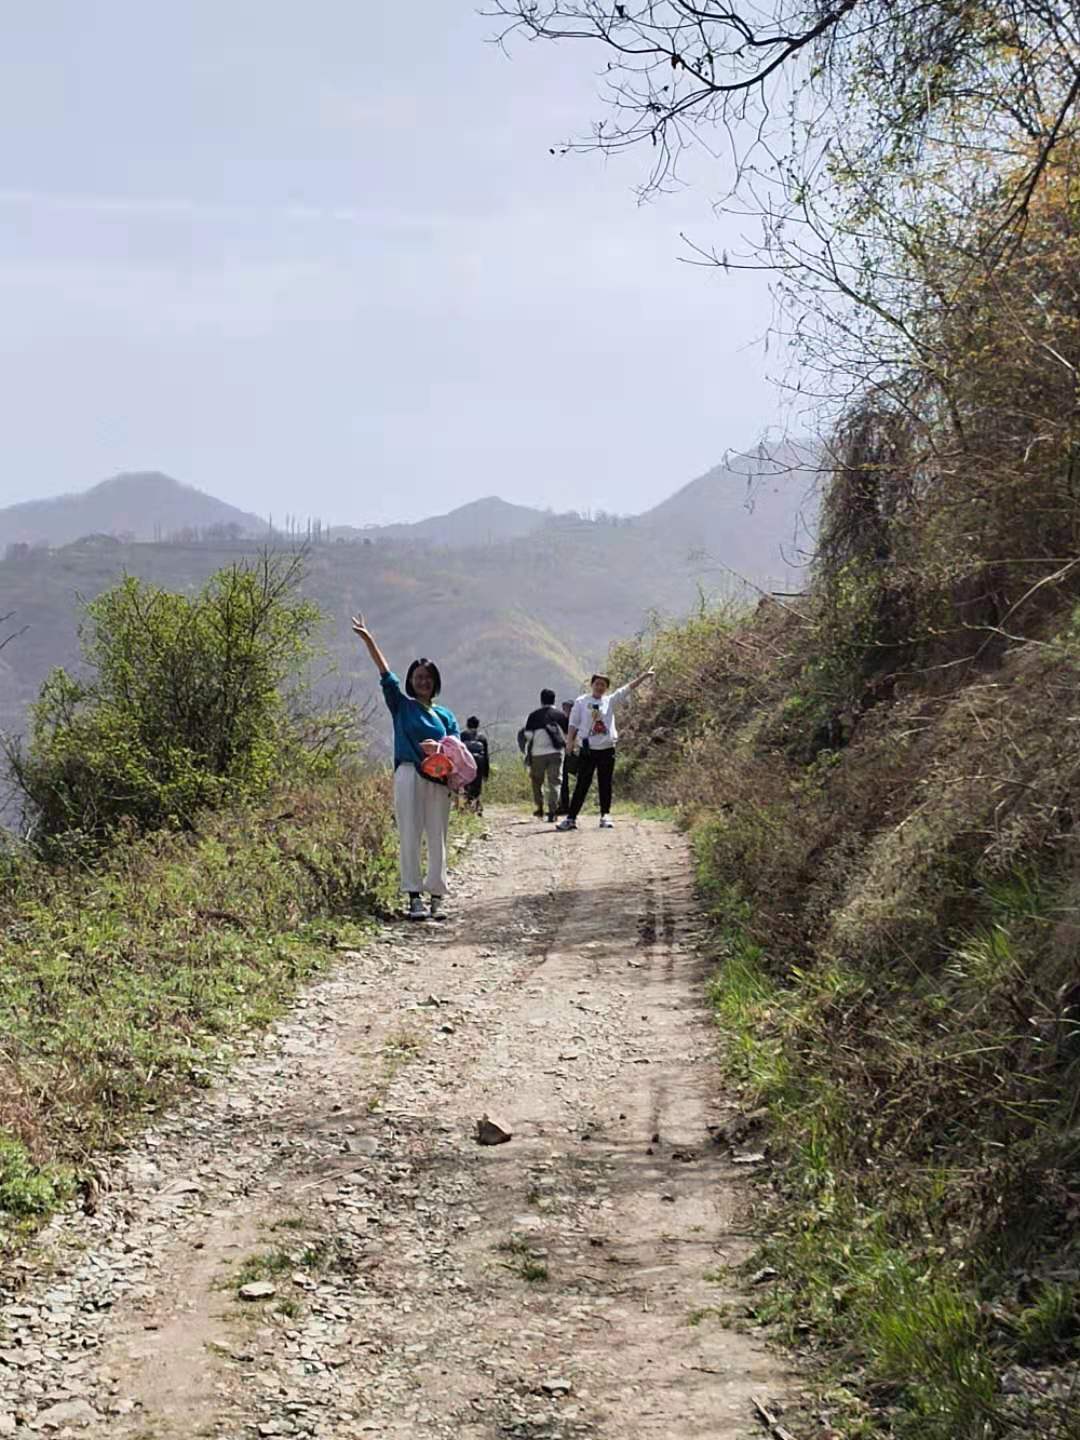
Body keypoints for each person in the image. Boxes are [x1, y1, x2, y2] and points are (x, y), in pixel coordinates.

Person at [351, 613, 459, 921]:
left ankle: (437, 894)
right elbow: (386, 673)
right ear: (412, 681)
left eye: (428, 677)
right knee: (410, 833)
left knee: (437, 835)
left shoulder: (446, 715)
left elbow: (456, 749)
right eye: (418, 677)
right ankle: (414, 897)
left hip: (438, 779)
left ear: (435, 682)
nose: (422, 681)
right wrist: (369, 639)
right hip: (409, 773)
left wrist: (452, 772)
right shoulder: (401, 705)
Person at [555, 666, 655, 831]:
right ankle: (571, 818)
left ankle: (605, 815)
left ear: (606, 688)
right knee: (582, 784)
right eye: (597, 684)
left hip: (607, 749)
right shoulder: (581, 701)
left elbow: (628, 688)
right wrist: (570, 741)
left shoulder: (609, 700)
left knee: (605, 783)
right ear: (592, 685)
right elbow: (573, 722)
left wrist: (644, 676)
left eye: (603, 685)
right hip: (588, 749)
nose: (599, 687)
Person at [521, 688, 568, 822]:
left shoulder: (534, 715)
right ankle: (552, 810)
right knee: (555, 782)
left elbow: (528, 736)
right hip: (556, 753)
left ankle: (540, 808)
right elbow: (566, 735)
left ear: (541, 700)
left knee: (537, 782)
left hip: (537, 754)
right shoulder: (560, 715)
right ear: (554, 700)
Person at [459, 715, 489, 814]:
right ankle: (476, 806)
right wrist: (486, 773)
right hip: (480, 763)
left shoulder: (462, 736)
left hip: (466, 763)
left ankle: (467, 806)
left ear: (467, 725)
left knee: (466, 784)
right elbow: (486, 756)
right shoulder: (482, 737)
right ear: (478, 725)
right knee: (477, 785)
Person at [556, 700, 574, 815]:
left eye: (568, 708)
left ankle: (565, 805)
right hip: (568, 752)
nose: (566, 710)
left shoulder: (575, 721)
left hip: (575, 752)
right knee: (563, 779)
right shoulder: (564, 721)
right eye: (565, 708)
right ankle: (564, 805)